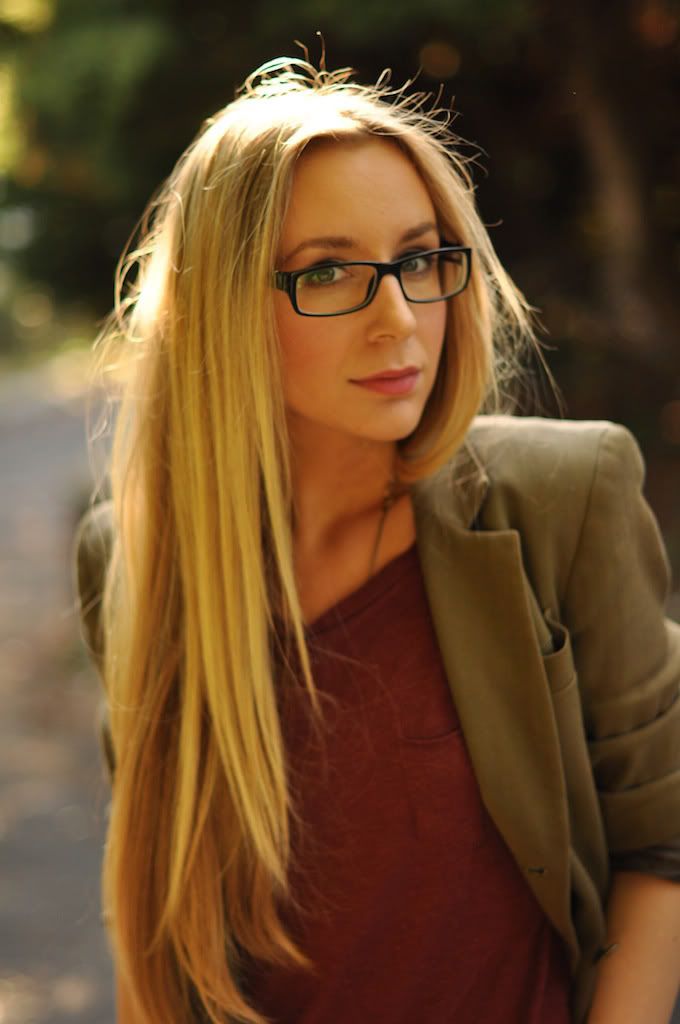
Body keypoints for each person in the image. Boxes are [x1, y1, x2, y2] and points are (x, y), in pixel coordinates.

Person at [74, 55, 680, 1024]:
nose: (399, 318)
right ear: (224, 307)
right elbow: (152, 909)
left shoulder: (561, 499)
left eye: (420, 259)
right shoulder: (135, 558)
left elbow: (662, 841)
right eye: (326, 272)